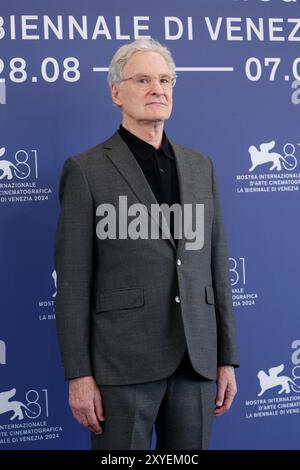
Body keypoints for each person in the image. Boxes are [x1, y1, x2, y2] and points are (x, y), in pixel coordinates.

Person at [54, 38, 239, 450]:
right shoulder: (85, 171)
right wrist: (79, 375)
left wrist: (225, 358)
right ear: (116, 92)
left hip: (196, 362)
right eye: (143, 80)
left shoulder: (200, 166)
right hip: (122, 366)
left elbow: (216, 267)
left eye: (165, 79)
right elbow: (71, 283)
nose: (158, 89)